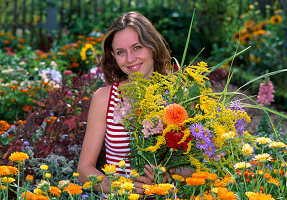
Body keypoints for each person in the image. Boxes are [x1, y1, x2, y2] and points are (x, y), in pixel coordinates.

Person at [77, 11, 171, 196]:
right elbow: (84, 169)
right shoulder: (104, 98)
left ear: (152, 46)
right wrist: (121, 186)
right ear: (113, 55)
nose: (130, 59)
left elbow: (194, 164)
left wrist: (170, 174)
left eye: (137, 47)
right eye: (121, 52)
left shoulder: (177, 95)